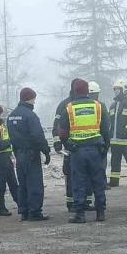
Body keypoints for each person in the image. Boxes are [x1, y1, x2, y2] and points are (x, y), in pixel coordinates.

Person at [58, 79, 111, 223]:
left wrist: (69, 146)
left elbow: (62, 133)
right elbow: (106, 129)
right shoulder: (99, 106)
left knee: (79, 182)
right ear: (88, 91)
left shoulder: (68, 108)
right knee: (98, 181)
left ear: (75, 91)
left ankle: (80, 214)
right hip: (96, 150)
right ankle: (100, 213)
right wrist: (105, 147)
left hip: (78, 151)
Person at [7, 87, 51, 221]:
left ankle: (24, 211)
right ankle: (35, 212)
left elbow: (11, 136)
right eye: (34, 99)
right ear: (30, 99)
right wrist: (46, 150)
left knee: (23, 183)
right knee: (34, 183)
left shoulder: (11, 116)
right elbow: (37, 135)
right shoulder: (30, 115)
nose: (35, 101)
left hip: (19, 153)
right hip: (31, 153)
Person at [52, 79, 78, 211]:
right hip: (69, 147)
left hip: (81, 145)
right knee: (70, 174)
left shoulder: (84, 103)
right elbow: (56, 125)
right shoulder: (64, 105)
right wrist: (57, 142)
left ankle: (84, 201)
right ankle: (71, 202)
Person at [108, 79, 127, 187]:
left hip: (126, 140)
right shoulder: (113, 105)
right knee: (115, 162)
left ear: (124, 89)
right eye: (114, 89)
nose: (116, 91)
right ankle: (114, 182)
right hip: (114, 140)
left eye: (118, 89)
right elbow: (110, 122)